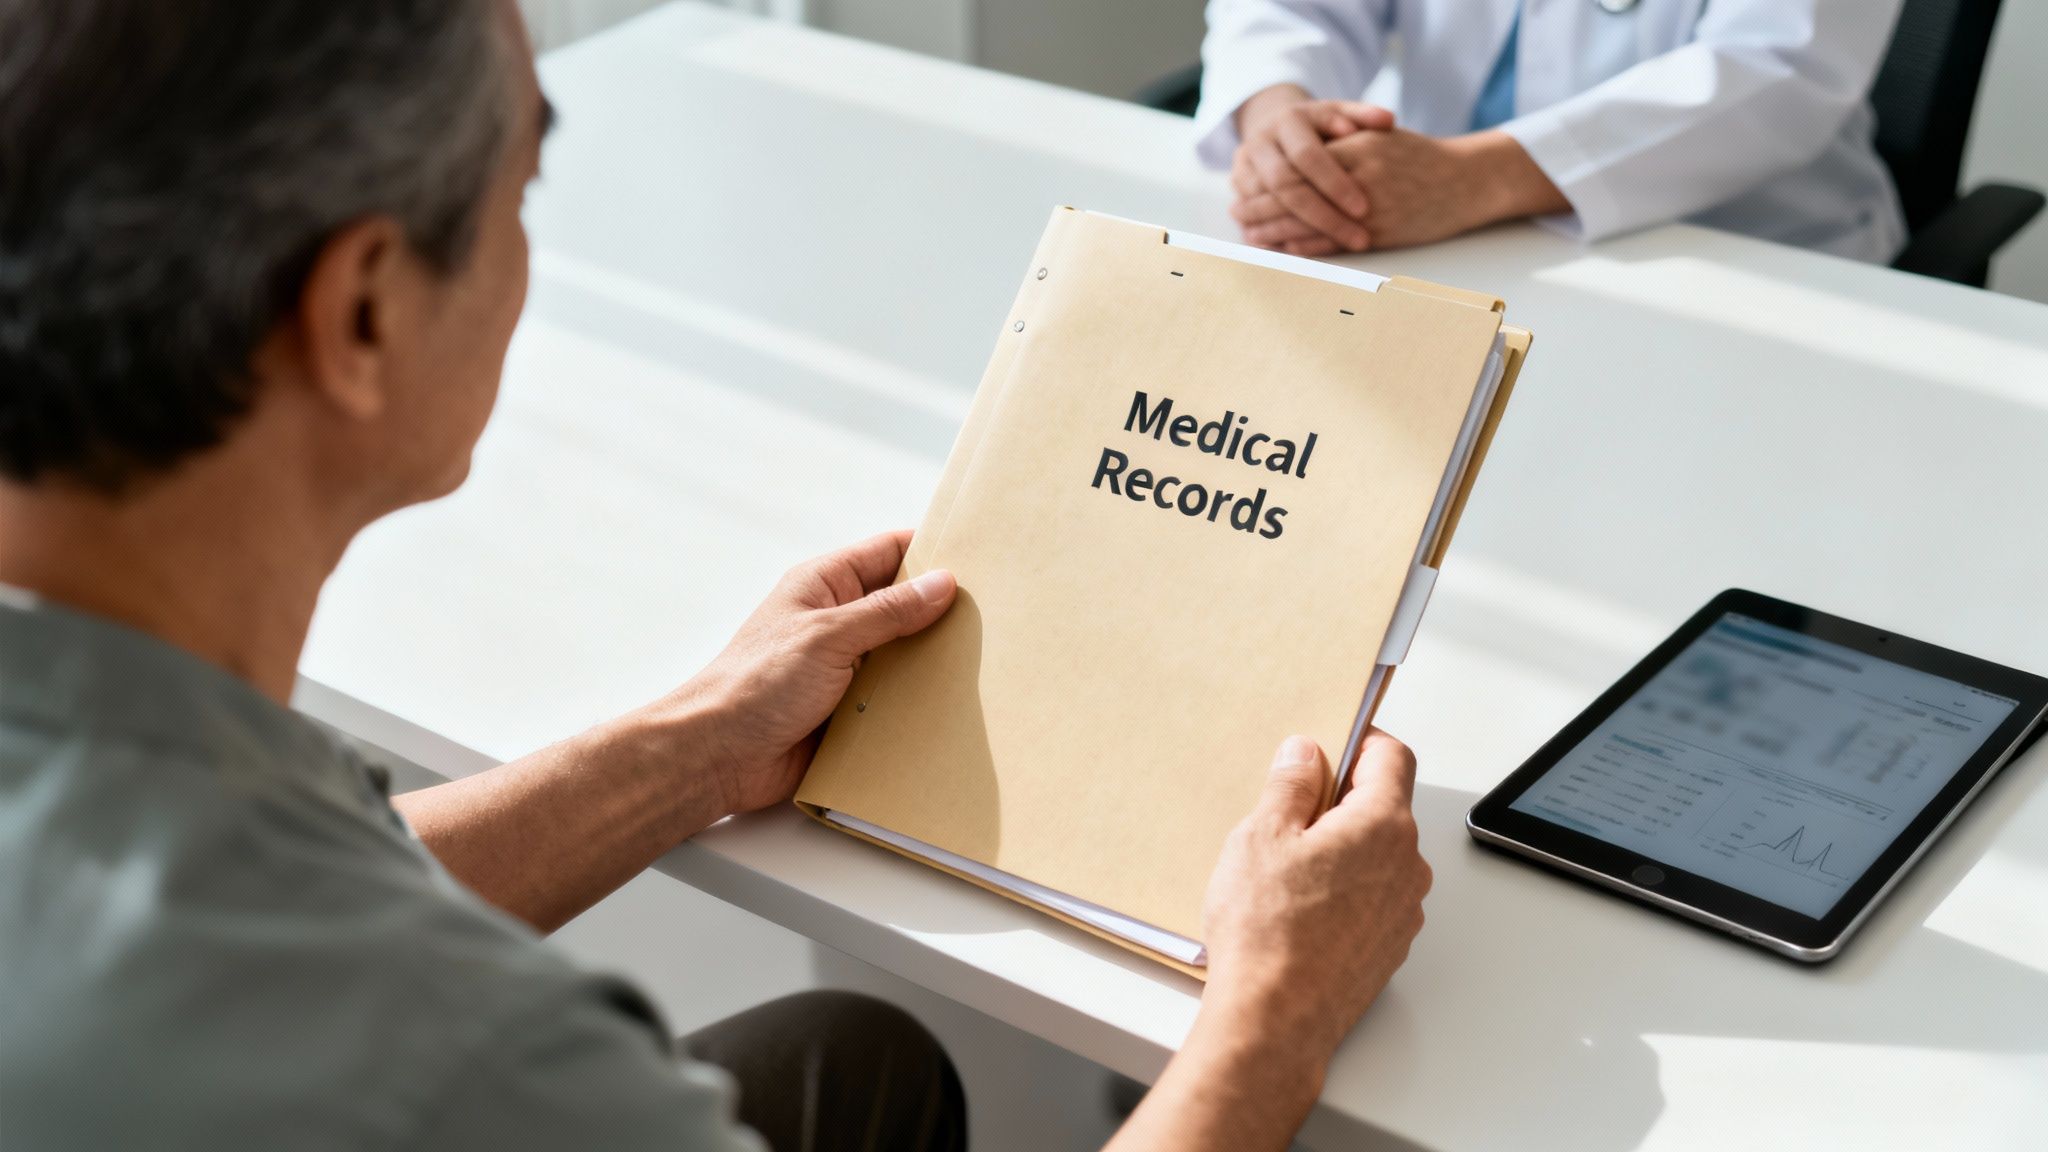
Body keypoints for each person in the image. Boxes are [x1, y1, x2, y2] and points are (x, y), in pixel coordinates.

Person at [0, 3, 1433, 1150]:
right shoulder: (471, 1059)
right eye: (522, 189)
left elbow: (268, 925)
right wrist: (1271, 1017)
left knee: (842, 1065)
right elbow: (325, 967)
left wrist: (691, 750)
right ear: (364, 309)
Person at [1197, 0, 1909, 262]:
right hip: (1406, 233)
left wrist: (1475, 178)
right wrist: (1280, 121)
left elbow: (1781, 65)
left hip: (1733, 252)